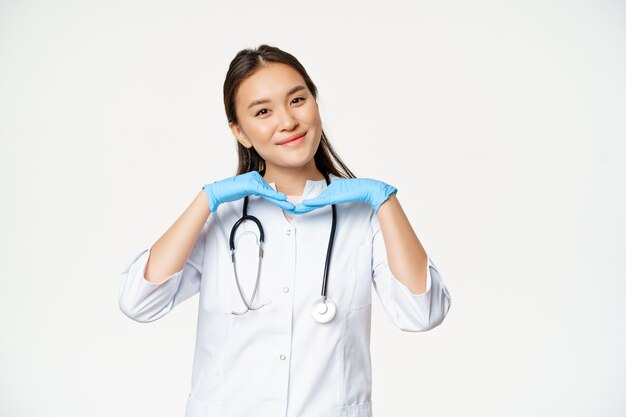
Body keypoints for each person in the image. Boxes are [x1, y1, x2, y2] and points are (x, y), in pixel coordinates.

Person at [118, 44, 451, 417]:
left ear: (315, 103)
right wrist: (205, 200)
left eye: (297, 100)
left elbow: (423, 313)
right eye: (263, 111)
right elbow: (138, 302)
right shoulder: (223, 214)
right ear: (240, 132)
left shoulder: (365, 213)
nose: (288, 121)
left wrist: (385, 200)